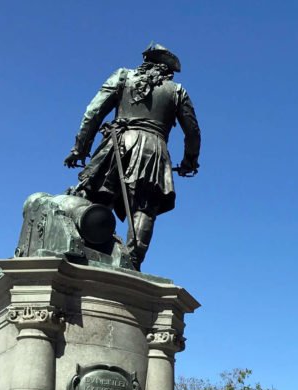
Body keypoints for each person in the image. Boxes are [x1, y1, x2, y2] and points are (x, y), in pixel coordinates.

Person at [64, 44, 201, 268]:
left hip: (118, 143)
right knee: (144, 207)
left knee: (99, 196)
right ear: (167, 70)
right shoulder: (177, 91)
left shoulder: (123, 77)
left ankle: (88, 251)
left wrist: (80, 147)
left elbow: (94, 111)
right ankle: (131, 261)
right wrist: (189, 161)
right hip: (154, 151)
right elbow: (193, 132)